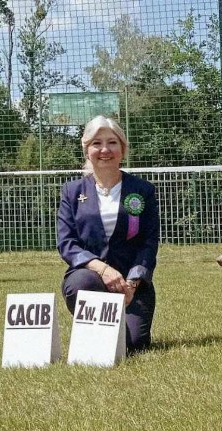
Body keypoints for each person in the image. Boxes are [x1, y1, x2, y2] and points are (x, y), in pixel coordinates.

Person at [57, 115, 160, 353]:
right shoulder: (71, 192)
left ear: (122, 149)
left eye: (112, 142)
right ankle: (96, 327)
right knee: (83, 283)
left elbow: (149, 242)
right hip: (89, 278)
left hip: (132, 286)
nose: (105, 149)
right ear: (87, 149)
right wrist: (103, 270)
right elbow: (67, 244)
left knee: (133, 346)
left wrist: (133, 282)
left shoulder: (143, 190)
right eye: (97, 143)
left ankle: (103, 327)